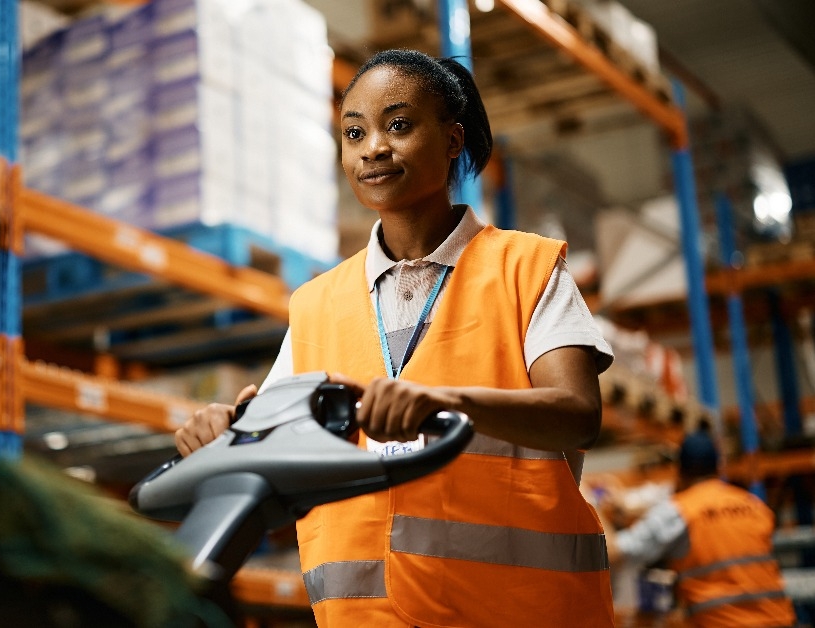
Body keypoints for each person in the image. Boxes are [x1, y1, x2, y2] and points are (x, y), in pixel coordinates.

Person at [175, 49, 617, 627]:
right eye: (353, 133)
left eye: (399, 125)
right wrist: (223, 433)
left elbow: (577, 412)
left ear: (453, 139)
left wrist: (446, 402)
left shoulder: (525, 267)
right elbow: (272, 448)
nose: (372, 148)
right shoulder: (316, 304)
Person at [609, 425, 796, 627]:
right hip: (781, 622)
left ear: (679, 471)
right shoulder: (753, 505)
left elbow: (615, 552)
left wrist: (587, 501)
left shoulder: (680, 510)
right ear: (720, 467)